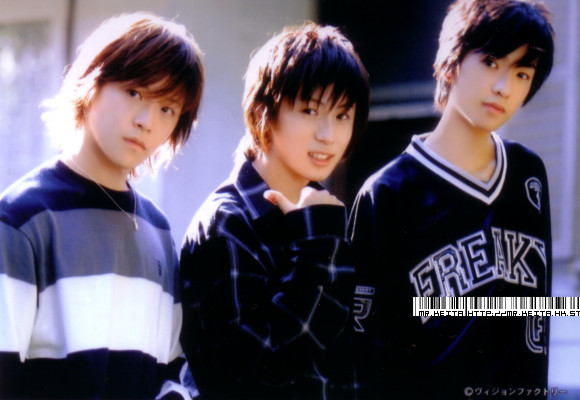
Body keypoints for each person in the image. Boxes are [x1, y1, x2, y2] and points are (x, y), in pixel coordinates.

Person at [348, 0, 554, 399]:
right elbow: (365, 352)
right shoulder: (387, 193)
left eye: (521, 73)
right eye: (491, 62)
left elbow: (536, 320)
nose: (504, 87)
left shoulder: (529, 175)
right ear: (451, 63)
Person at [0, 12, 204, 399]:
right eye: (135, 92)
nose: (146, 121)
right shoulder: (23, 220)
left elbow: (171, 369)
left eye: (167, 108)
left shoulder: (158, 230)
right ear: (91, 82)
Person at [180, 22, 369, 400]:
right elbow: (263, 371)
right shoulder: (229, 222)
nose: (328, 135)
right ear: (264, 111)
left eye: (342, 115)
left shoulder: (327, 214)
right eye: (309, 110)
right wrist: (318, 249)